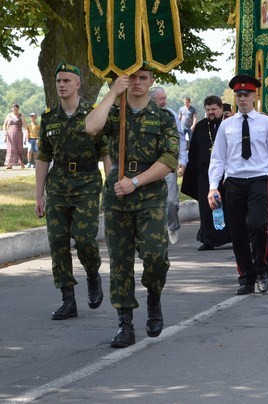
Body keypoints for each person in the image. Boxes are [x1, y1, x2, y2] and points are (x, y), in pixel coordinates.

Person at [85, 65, 179, 348]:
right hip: (118, 197)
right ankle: (124, 323)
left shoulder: (163, 118)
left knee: (154, 256)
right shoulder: (115, 114)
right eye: (132, 78)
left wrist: (136, 182)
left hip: (149, 196)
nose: (137, 83)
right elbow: (91, 127)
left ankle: (153, 296)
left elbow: (169, 161)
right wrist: (114, 91)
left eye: (143, 78)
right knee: (120, 262)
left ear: (152, 81)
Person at [35, 63, 111, 321]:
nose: (61, 85)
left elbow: (105, 153)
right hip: (57, 186)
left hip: (87, 184)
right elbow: (43, 158)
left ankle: (92, 274)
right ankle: (68, 299)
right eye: (58, 80)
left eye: (67, 80)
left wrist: (111, 186)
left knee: (84, 240)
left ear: (78, 84)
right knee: (57, 242)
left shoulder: (93, 114)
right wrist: (38, 195)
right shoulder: (49, 117)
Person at [207, 75, 268, 295]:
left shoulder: (265, 122)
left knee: (258, 224)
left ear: (255, 96)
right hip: (233, 181)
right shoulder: (227, 125)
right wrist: (213, 187)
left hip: (258, 179)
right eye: (239, 95)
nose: (242, 99)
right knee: (239, 231)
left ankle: (263, 270)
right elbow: (218, 158)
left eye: (247, 95)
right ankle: (246, 276)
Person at [181, 96, 232, 250]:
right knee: (206, 207)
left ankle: (233, 236)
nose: (211, 113)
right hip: (205, 173)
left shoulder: (228, 125)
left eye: (214, 109)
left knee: (230, 206)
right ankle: (208, 239)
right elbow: (194, 151)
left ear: (221, 109)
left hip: (227, 173)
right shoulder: (201, 126)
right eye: (208, 110)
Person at [149, 87, 188, 245]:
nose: (164, 101)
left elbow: (180, 139)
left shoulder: (171, 114)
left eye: (165, 98)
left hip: (167, 163)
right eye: (161, 99)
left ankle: (172, 226)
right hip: (148, 165)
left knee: (171, 200)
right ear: (152, 100)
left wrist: (183, 161)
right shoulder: (143, 114)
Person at [3, 103, 27, 169]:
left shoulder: (21, 115)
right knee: (10, 148)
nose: (15, 111)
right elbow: (4, 125)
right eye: (14, 109)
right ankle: (9, 164)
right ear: (12, 109)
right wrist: (5, 131)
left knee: (19, 148)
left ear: (18, 109)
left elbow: (25, 125)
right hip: (10, 133)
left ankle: (21, 163)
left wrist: (27, 133)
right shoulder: (9, 115)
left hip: (18, 133)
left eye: (16, 109)